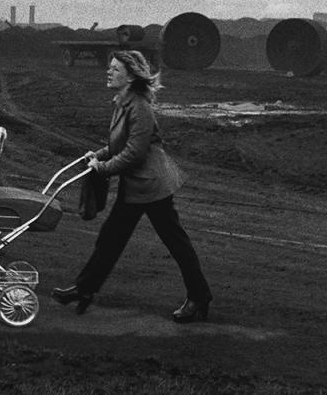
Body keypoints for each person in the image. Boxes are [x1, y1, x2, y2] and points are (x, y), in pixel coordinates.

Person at [52, 50, 212, 322]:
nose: (108, 71)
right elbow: (120, 145)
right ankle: (84, 289)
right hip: (136, 186)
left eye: (115, 69)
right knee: (110, 239)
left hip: (152, 187)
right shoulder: (123, 102)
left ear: (130, 76)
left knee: (176, 243)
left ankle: (199, 298)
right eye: (110, 67)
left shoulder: (139, 107)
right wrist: (98, 155)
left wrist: (102, 168)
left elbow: (134, 153)